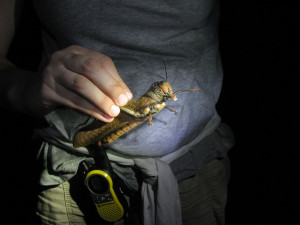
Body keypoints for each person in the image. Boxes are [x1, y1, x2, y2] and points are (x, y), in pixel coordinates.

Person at [0, 0, 234, 224]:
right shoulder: (150, 101)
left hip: (195, 168)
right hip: (75, 168)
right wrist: (24, 90)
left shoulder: (162, 98)